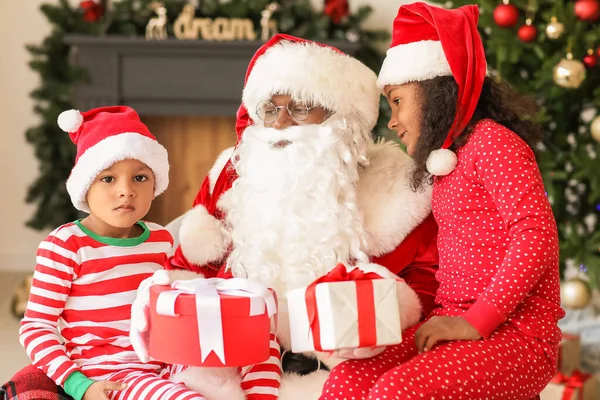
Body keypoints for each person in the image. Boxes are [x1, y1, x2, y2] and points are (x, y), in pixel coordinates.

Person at [134, 33, 440, 399]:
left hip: (347, 371)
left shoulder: (398, 187)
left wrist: (384, 311)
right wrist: (168, 296)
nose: (279, 123)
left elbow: (430, 282)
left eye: (299, 107)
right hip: (236, 362)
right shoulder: (232, 177)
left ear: (342, 118)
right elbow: (192, 268)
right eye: (270, 108)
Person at [320, 3, 565, 399]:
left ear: (435, 92)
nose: (392, 121)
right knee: (347, 380)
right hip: (450, 322)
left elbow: (536, 237)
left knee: (398, 390)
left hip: (517, 338)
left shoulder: (493, 142)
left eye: (397, 101)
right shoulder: (446, 164)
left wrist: (476, 321)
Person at [19, 106, 227, 400]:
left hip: (167, 361)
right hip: (111, 373)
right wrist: (80, 385)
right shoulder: (65, 245)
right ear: (85, 187)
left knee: (235, 376)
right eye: (108, 179)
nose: (126, 190)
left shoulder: (161, 239)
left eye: (140, 178)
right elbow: (37, 326)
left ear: (156, 184)